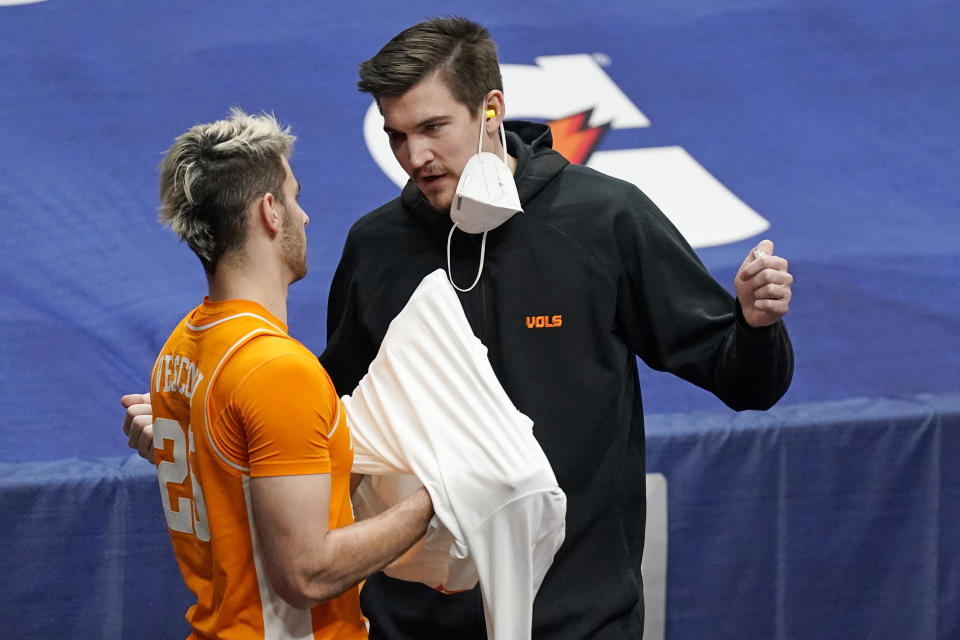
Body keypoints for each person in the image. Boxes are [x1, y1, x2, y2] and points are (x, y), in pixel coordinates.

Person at [125, 16, 794, 639]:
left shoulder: (605, 220)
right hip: (409, 624)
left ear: (491, 110)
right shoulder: (377, 246)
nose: (414, 155)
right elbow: (326, 429)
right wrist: (203, 434)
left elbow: (741, 378)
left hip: (579, 622)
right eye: (395, 134)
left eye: (432, 127)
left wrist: (756, 326)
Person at [139, 108, 433, 639]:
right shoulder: (278, 371)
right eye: (295, 197)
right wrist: (436, 499)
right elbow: (308, 573)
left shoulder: (179, 350)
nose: (305, 217)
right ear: (270, 211)